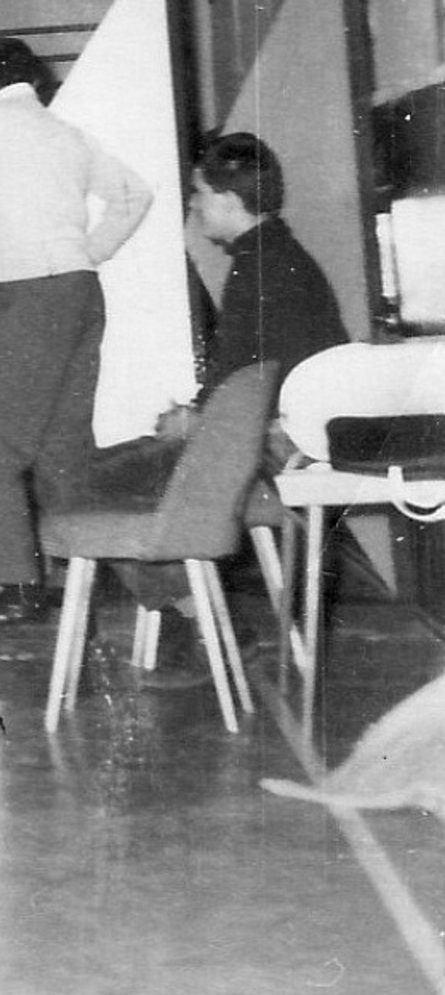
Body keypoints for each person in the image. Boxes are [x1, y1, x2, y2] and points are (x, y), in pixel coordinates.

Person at [64, 133, 348, 684]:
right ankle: (198, 614)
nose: (194, 206)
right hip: (278, 441)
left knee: (77, 482)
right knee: (113, 472)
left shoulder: (258, 269)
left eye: (199, 194)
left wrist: (192, 420)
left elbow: (248, 388)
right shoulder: (277, 259)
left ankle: (204, 620)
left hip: (269, 452)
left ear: (229, 200)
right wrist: (197, 415)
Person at [0, 36, 153, 625]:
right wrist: (89, 250)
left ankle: (16, 584)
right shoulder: (66, 133)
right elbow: (134, 195)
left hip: (26, 292)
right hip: (80, 290)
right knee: (65, 448)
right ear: (33, 80)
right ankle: (102, 579)